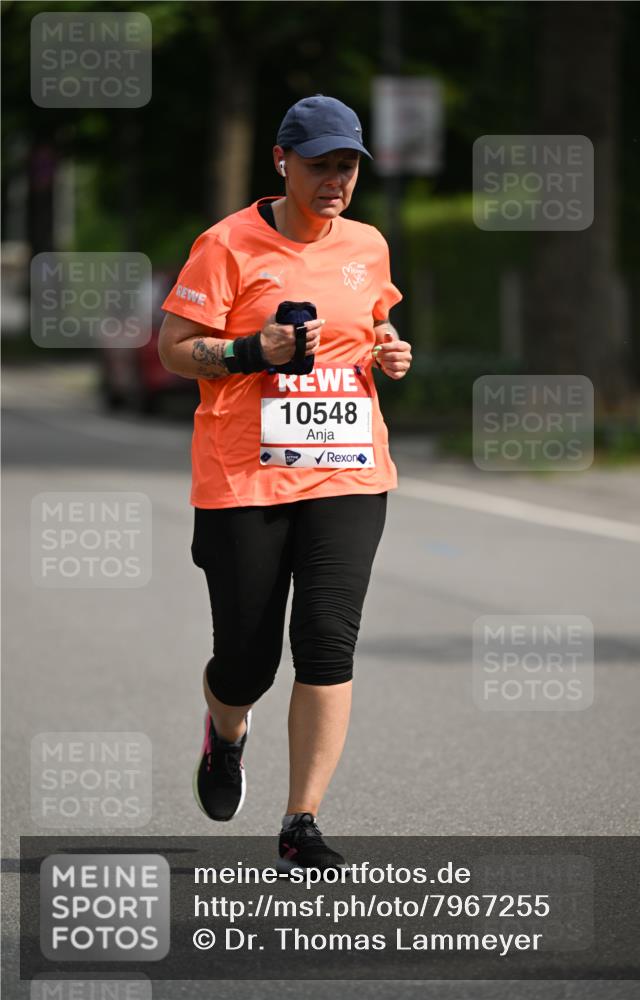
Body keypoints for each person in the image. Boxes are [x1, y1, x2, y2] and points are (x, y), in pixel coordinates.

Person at [158, 94, 412, 871]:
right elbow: (174, 347)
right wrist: (247, 353)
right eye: (319, 165)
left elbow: (371, 326)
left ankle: (301, 821)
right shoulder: (227, 244)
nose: (334, 180)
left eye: (346, 166)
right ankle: (225, 731)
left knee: (327, 644)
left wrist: (388, 353)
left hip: (347, 471)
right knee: (246, 662)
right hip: (245, 478)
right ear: (281, 162)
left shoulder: (367, 244)